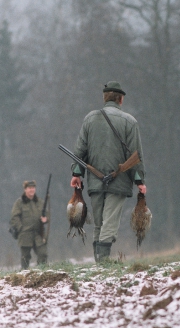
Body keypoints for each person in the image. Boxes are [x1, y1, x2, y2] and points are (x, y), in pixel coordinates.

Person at [70, 81, 146, 262]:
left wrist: (76, 174)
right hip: (118, 182)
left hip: (95, 182)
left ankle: (100, 266)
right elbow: (136, 155)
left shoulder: (89, 119)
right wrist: (139, 181)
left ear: (105, 98)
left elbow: (80, 151)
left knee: (99, 224)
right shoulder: (130, 121)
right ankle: (103, 265)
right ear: (120, 99)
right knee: (109, 223)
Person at [10, 180, 49, 269]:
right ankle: (24, 275)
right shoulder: (19, 203)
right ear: (25, 189)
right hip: (25, 234)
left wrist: (45, 219)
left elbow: (47, 214)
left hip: (38, 233)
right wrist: (20, 228)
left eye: (33, 188)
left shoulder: (40, 202)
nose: (32, 190)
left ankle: (41, 272)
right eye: (29, 188)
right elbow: (14, 217)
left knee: (43, 254)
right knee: (25, 257)